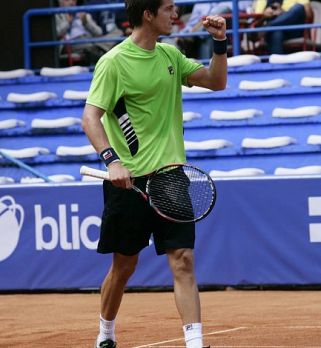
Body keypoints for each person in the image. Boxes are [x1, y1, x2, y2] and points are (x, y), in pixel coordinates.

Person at [81, 0, 227, 346]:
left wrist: (219, 44)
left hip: (172, 176)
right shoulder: (114, 62)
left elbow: (215, 81)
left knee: (184, 260)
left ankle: (195, 342)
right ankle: (106, 332)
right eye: (169, 9)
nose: (176, 15)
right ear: (148, 15)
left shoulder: (170, 57)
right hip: (128, 182)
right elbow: (91, 117)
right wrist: (112, 161)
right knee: (124, 267)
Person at [176, 0, 253, 59]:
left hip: (225, 31)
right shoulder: (200, 3)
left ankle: (200, 32)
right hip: (199, 35)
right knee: (172, 40)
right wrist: (182, 34)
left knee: (220, 12)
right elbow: (191, 24)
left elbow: (246, 6)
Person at [55, 0, 115, 65]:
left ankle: (98, 53)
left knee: (114, 36)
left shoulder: (83, 13)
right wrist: (67, 22)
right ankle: (102, 55)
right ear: (60, 1)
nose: (72, 3)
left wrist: (86, 22)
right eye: (68, 0)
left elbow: (99, 33)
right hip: (70, 43)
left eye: (74, 0)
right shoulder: (56, 15)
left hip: (89, 40)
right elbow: (56, 33)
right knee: (92, 45)